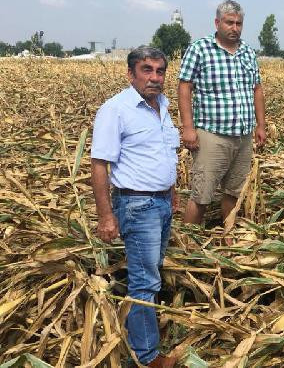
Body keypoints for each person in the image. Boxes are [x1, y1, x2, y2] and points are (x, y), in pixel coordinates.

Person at [90, 46, 178, 367]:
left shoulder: (163, 106)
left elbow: (164, 154)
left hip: (161, 202)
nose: (154, 77)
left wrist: (172, 192)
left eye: (160, 71)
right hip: (137, 204)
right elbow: (99, 165)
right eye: (146, 70)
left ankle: (138, 334)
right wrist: (106, 216)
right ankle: (146, 357)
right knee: (145, 280)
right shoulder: (116, 110)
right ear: (131, 74)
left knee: (150, 272)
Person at [178, 0, 266, 229]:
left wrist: (261, 125)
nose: (234, 28)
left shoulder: (248, 52)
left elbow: (257, 89)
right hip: (212, 135)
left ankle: (228, 235)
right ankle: (188, 240)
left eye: (239, 23)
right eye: (229, 22)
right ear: (217, 23)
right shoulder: (200, 49)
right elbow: (185, 86)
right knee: (201, 195)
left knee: (233, 192)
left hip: (243, 136)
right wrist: (188, 128)